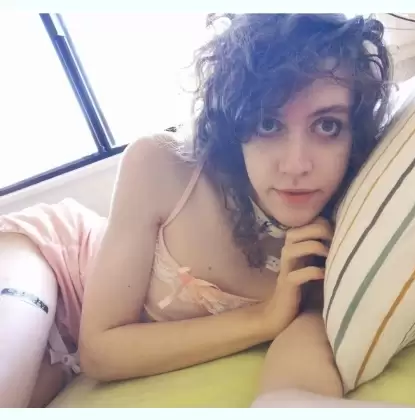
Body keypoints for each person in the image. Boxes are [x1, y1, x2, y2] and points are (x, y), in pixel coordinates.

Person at [0, 13, 392, 408]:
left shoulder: (350, 232)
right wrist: (266, 318)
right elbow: (100, 349)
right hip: (51, 263)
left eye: (327, 126)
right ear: (233, 123)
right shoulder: (164, 165)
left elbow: (295, 386)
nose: (295, 165)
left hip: (66, 363)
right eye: (267, 124)